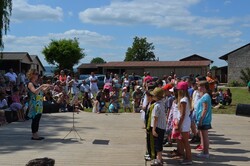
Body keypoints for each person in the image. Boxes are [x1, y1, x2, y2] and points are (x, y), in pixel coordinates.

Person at [27, 69, 51, 140]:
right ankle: (34, 134)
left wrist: (48, 87)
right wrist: (42, 86)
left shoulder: (37, 84)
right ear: (32, 75)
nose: (37, 75)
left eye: (37, 74)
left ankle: (36, 133)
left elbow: (43, 92)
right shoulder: (30, 84)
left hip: (39, 103)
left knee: (38, 119)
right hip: (34, 103)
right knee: (35, 119)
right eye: (36, 74)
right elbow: (35, 91)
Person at [176, 81, 192, 165]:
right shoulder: (186, 99)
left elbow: (182, 114)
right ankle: (186, 157)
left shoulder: (183, 100)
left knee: (185, 141)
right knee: (183, 140)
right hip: (185, 122)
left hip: (184, 123)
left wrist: (178, 125)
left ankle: (189, 158)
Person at [196, 81, 212, 159]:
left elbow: (204, 109)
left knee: (205, 136)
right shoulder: (204, 95)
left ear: (205, 87)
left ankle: (206, 152)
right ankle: (204, 151)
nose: (199, 88)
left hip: (204, 120)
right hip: (203, 119)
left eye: (201, 87)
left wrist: (201, 120)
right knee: (203, 136)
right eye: (199, 86)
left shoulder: (205, 96)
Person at [150, 87, 165, 166]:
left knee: (157, 144)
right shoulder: (162, 103)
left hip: (158, 127)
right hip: (162, 126)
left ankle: (159, 160)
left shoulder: (156, 106)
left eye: (153, 96)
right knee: (160, 142)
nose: (152, 97)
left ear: (157, 97)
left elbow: (155, 118)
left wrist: (153, 129)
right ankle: (159, 158)